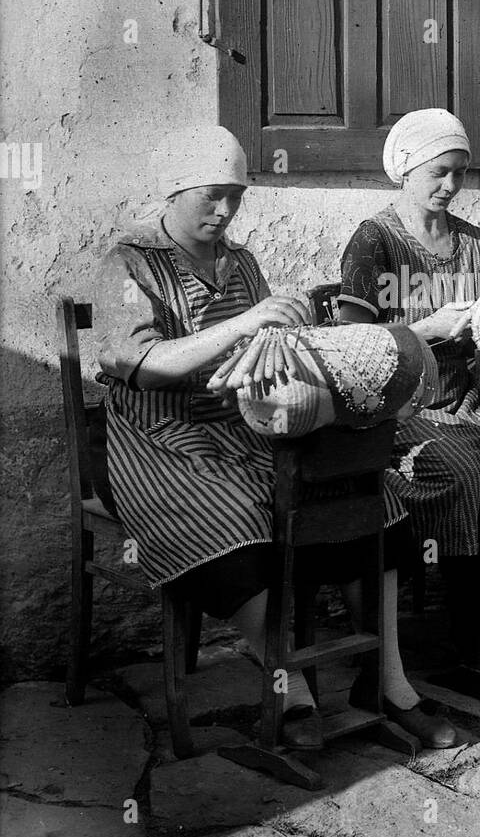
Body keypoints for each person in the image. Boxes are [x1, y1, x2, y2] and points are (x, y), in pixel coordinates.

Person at [95, 124, 455, 750]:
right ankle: (292, 687)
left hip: (244, 430)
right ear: (174, 190)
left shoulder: (241, 261)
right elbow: (137, 363)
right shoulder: (130, 262)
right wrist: (248, 323)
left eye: (235, 196)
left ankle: (388, 683)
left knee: (374, 495)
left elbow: (267, 352)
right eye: (211, 195)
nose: (225, 210)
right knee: (235, 519)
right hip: (158, 441)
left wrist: (294, 344)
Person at [338, 109, 480, 652]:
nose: (451, 185)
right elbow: (352, 348)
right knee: (471, 471)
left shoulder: (473, 240)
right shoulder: (375, 241)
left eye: (460, 172)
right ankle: (471, 630)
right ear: (406, 168)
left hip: (468, 403)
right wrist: (424, 330)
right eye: (439, 171)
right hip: (400, 415)